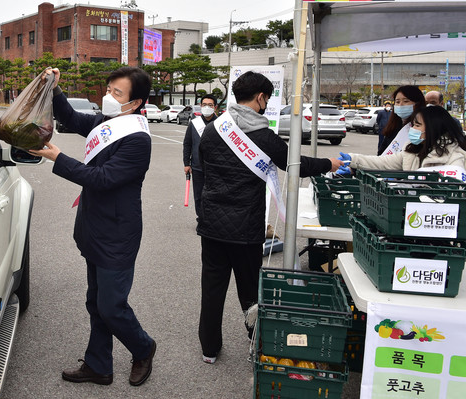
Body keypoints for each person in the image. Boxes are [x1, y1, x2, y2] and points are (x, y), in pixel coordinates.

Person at [196, 71, 344, 364]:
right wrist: (330, 162)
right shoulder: (264, 136)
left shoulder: (213, 129)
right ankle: (257, 344)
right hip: (246, 226)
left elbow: (202, 169)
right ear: (261, 98)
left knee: (212, 289)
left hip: (212, 224)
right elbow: (297, 164)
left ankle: (209, 350)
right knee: (250, 291)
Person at [30, 66, 156, 387]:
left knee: (111, 307)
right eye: (109, 89)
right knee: (95, 301)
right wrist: (55, 89)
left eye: (117, 93)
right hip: (93, 228)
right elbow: (71, 119)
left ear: (136, 102)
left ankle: (143, 347)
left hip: (118, 234)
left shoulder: (137, 140)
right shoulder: (105, 123)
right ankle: (99, 365)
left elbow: (103, 179)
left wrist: (57, 157)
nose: (108, 97)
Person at [338, 105, 466, 172]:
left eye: (417, 125)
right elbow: (383, 163)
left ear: (433, 128)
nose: (413, 129)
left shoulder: (455, 156)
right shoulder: (412, 150)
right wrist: (353, 159)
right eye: (413, 125)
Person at [183, 94, 218, 218]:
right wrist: (186, 163)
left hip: (216, 168)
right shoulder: (194, 123)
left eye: (210, 105)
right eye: (204, 105)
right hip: (197, 167)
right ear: (200, 106)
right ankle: (201, 218)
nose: (207, 107)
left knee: (214, 195)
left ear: (215, 107)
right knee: (198, 195)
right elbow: (187, 144)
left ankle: (212, 218)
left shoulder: (221, 124)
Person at [378, 85, 426, 156]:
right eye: (397, 102)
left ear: (417, 103)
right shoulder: (393, 127)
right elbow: (381, 153)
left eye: (406, 101)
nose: (400, 105)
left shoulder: (422, 128)